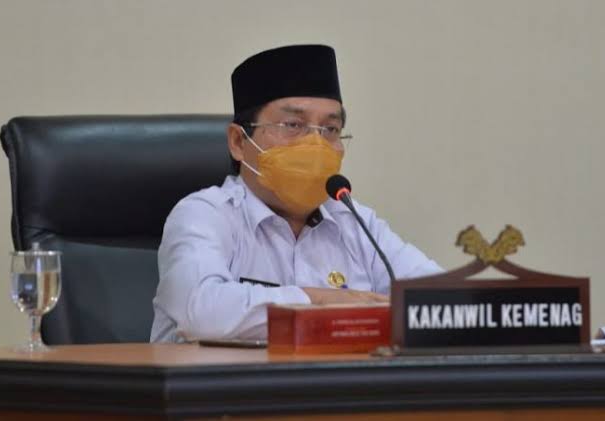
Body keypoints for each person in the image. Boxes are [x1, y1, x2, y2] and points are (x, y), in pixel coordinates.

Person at [151, 45, 441, 342]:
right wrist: (319, 301)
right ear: (238, 141)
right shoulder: (204, 215)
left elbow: (444, 302)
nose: (315, 144)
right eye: (292, 125)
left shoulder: (356, 224)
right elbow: (201, 313)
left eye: (330, 129)